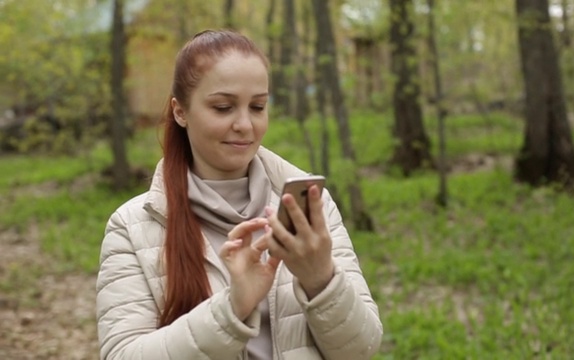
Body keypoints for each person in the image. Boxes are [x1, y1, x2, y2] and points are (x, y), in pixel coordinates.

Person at [96, 29, 382, 360]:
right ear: (181, 112)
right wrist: (232, 309)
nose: (245, 124)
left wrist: (321, 279)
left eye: (258, 106)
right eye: (223, 107)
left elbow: (362, 349)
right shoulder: (132, 226)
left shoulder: (308, 207)